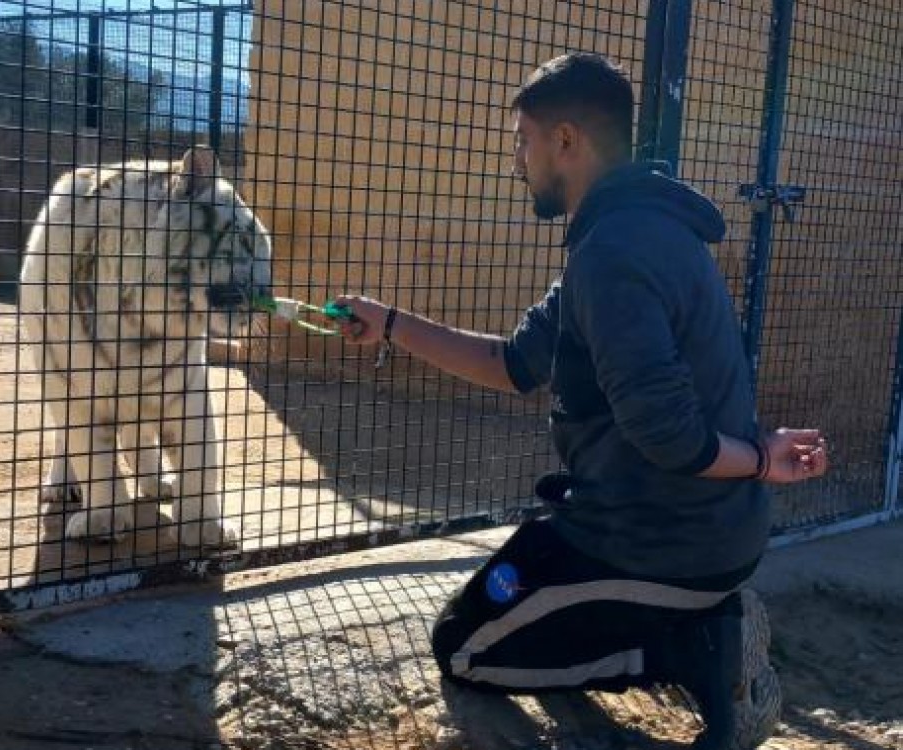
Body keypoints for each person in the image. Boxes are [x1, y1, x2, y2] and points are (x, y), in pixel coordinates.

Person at [335, 52, 828, 750]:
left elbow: (671, 435)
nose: (517, 159)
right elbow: (513, 364)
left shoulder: (612, 254)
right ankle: (693, 623)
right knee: (491, 608)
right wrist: (388, 321)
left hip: (659, 542)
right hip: (676, 526)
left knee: (463, 649)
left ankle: (694, 650)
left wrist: (758, 460)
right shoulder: (630, 233)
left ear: (565, 140)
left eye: (523, 140)